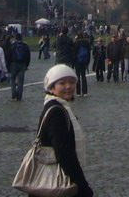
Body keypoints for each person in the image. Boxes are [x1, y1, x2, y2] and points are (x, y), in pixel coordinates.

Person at [38, 64, 94, 197]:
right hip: (57, 182)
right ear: (51, 88)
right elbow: (64, 153)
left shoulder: (59, 107)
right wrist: (82, 186)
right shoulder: (56, 112)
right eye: (62, 83)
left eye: (72, 82)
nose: (68, 87)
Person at [8, 32, 31, 101]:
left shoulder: (12, 46)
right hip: (23, 64)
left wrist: (8, 65)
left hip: (14, 63)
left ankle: (13, 92)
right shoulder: (25, 46)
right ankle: (19, 96)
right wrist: (26, 65)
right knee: (21, 81)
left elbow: (8, 56)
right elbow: (28, 56)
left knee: (12, 79)